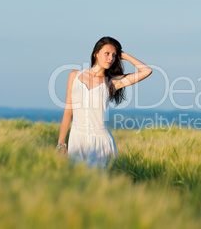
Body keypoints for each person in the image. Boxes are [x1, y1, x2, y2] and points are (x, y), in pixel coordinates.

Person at [56, 36, 152, 169]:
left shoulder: (113, 82)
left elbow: (147, 71)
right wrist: (61, 143)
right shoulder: (74, 76)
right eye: (107, 53)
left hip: (101, 143)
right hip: (77, 140)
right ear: (96, 53)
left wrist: (124, 56)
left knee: (101, 185)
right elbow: (68, 111)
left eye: (114, 55)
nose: (111, 58)